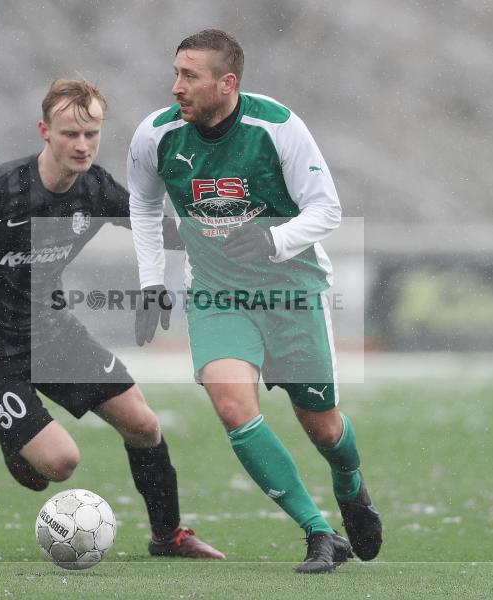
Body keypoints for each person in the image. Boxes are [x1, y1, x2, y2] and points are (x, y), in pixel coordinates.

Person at [0, 78, 223, 560]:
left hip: (51, 333)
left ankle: (169, 537)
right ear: (45, 132)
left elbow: (159, 233)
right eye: (70, 134)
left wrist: (226, 242)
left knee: (143, 424)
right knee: (60, 463)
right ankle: (18, 440)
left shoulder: (95, 189)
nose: (82, 145)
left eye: (91, 134)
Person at [127, 29, 383, 574]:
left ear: (228, 82)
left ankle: (350, 483)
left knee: (325, 429)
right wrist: (152, 282)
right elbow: (144, 208)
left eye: (189, 76)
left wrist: (274, 239)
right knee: (232, 407)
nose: (176, 87)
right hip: (218, 295)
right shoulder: (155, 136)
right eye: (175, 73)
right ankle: (319, 532)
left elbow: (326, 209)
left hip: (292, 292)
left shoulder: (278, 126)